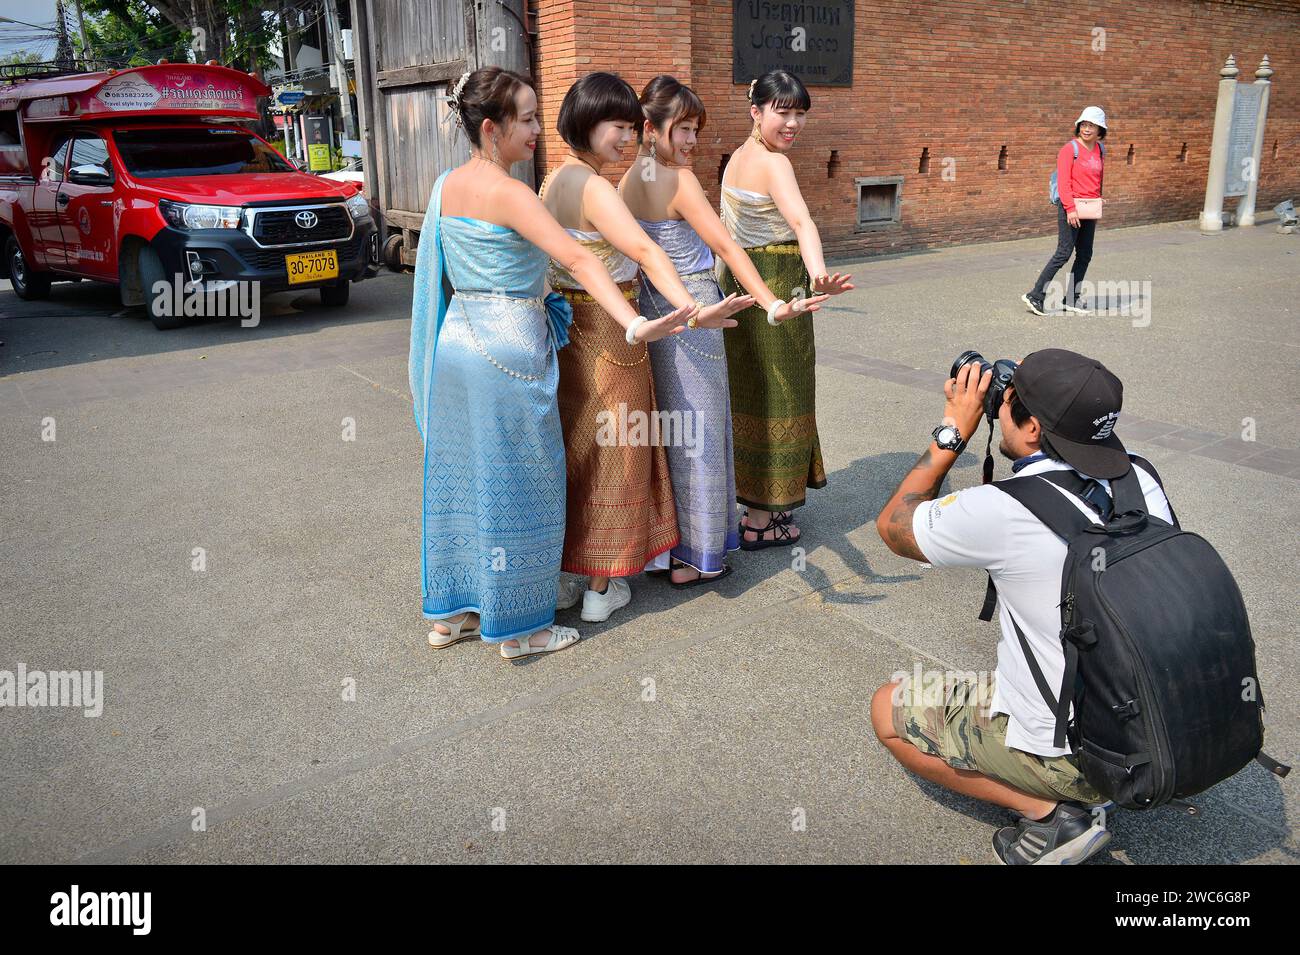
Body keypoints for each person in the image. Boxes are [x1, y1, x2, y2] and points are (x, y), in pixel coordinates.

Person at [411, 67, 692, 660]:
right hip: (509, 352)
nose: (541, 129)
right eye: (529, 118)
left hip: (456, 345)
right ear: (492, 129)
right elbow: (580, 260)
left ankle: (453, 614)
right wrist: (634, 320)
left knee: (461, 483)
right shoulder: (511, 193)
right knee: (522, 485)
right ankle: (522, 629)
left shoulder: (444, 187)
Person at [870, 348, 1174, 864]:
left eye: (1006, 400)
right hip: (1159, 726)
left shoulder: (1007, 504)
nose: (996, 404)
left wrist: (953, 431)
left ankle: (1051, 813)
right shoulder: (1141, 478)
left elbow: (895, 528)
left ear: (1031, 429)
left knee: (887, 706)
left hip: (1075, 751)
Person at [541, 72, 750, 621]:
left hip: (568, 334)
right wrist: (693, 310)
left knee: (580, 453)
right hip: (615, 334)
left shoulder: (552, 182)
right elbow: (648, 254)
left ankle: (572, 574)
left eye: (633, 127)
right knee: (622, 456)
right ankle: (603, 586)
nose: (628, 139)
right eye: (619, 127)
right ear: (586, 124)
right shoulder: (597, 189)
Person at [618, 75, 829, 586]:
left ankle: (665, 547)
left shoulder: (629, 179)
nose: (692, 141)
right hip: (696, 312)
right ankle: (699, 553)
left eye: (696, 129)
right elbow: (730, 248)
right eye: (683, 129)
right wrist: (773, 301)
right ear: (651, 128)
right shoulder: (681, 181)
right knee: (703, 432)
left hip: (655, 310)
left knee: (670, 431)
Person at [719, 70, 854, 552]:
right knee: (782, 391)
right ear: (756, 111)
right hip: (776, 283)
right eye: (783, 111)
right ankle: (761, 517)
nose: (793, 122)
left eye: (800, 113)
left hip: (738, 284)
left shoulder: (738, 157)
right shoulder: (775, 164)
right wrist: (817, 274)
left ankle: (751, 505)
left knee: (751, 389)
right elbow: (802, 221)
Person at [1023, 107, 1107, 316]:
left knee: (1085, 254)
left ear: (1100, 130)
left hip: (1089, 208)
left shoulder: (1100, 150)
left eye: (1092, 125)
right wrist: (1070, 209)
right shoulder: (1070, 150)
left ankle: (1071, 298)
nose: (1087, 129)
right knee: (1063, 253)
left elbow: (1097, 178)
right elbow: (1063, 182)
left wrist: (1098, 197)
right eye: (1084, 125)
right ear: (1079, 126)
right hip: (1071, 208)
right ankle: (1035, 295)